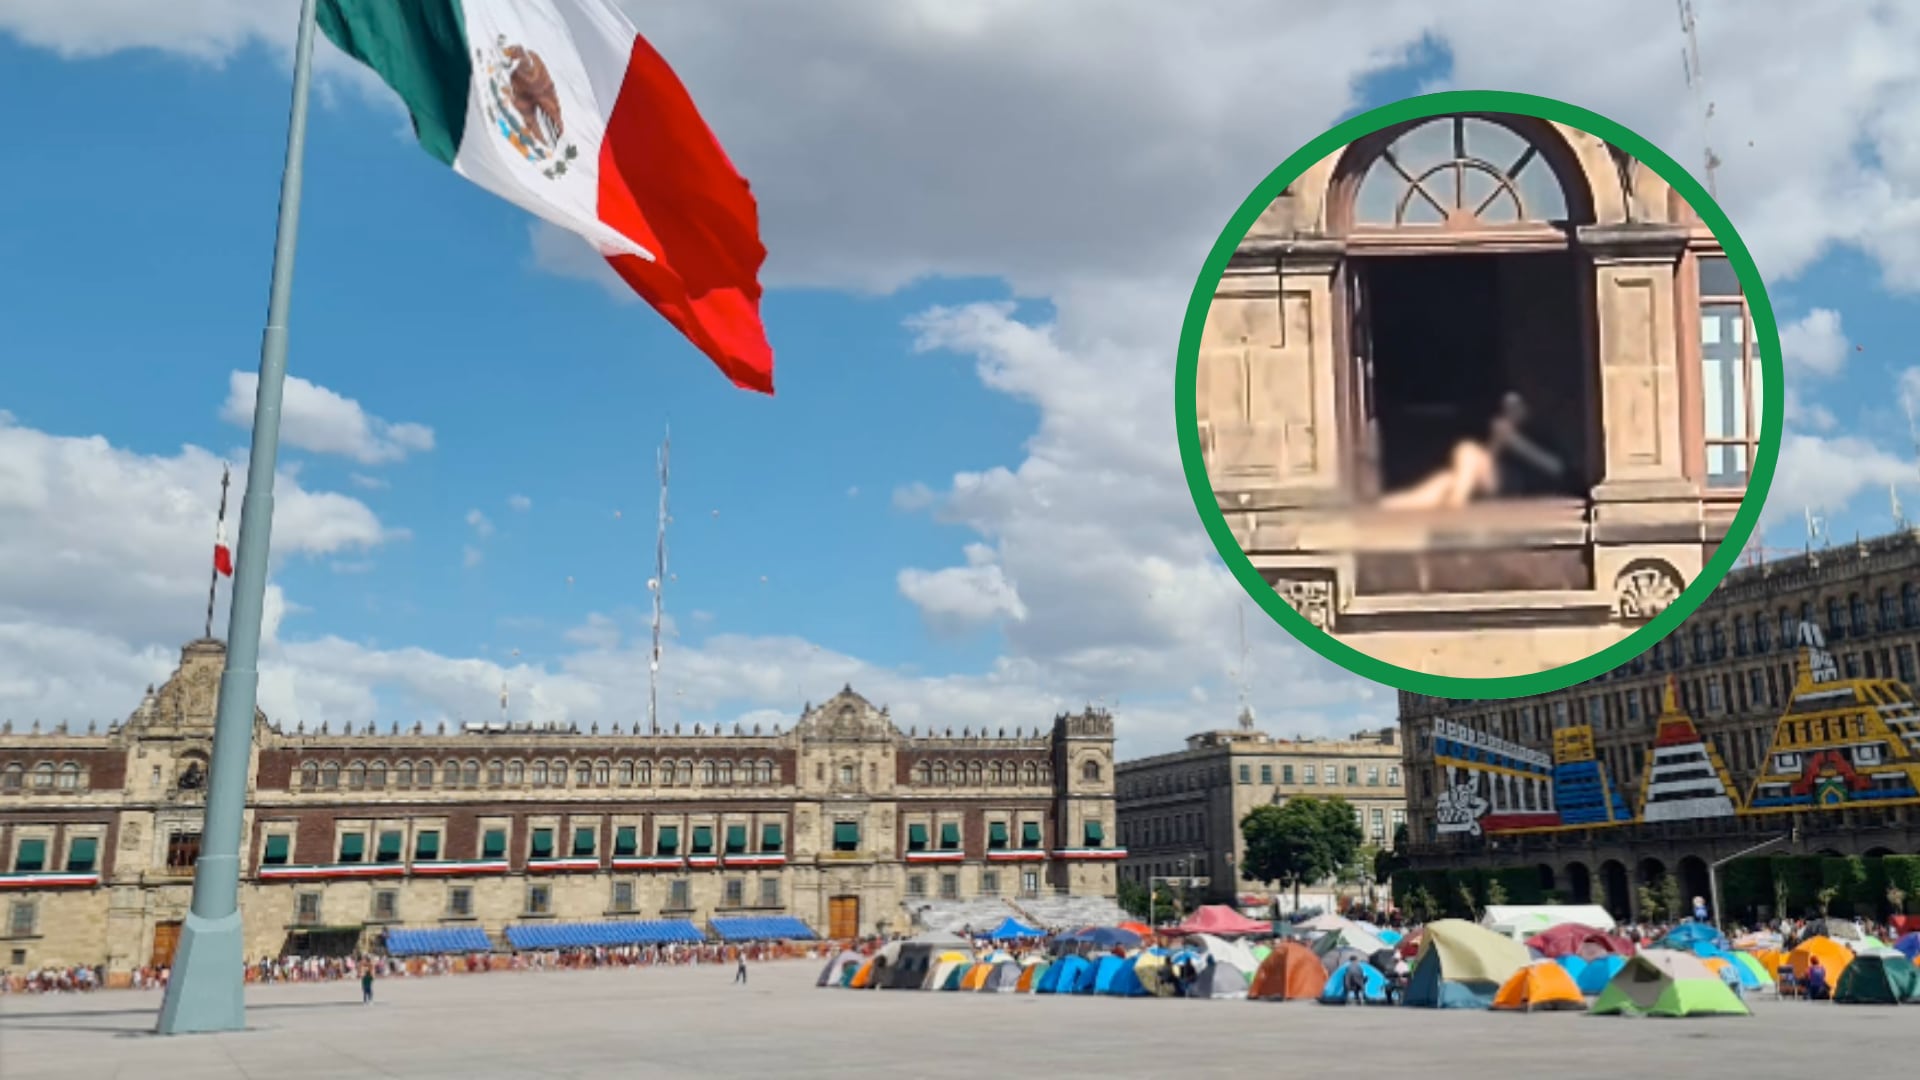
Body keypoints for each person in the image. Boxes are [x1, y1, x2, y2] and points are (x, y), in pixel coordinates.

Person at [1378, 391, 1566, 511]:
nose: (1510, 411)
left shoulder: (1537, 432)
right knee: (1446, 480)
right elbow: (1488, 463)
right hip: (1492, 485)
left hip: (1523, 488)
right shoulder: (1503, 428)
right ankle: (1389, 505)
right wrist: (1497, 442)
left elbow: (1556, 469)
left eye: (1515, 406)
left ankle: (1455, 505)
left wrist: (1515, 442)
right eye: (1506, 406)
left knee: (1467, 451)